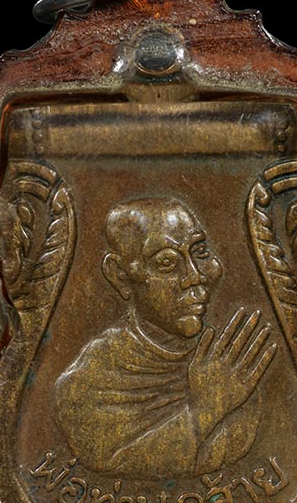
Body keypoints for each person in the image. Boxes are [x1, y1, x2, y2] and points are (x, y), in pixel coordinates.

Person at [53, 197, 276, 479]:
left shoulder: (229, 366)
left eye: (200, 252)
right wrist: (206, 410)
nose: (194, 276)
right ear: (120, 277)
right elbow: (113, 461)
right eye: (168, 262)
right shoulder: (84, 386)